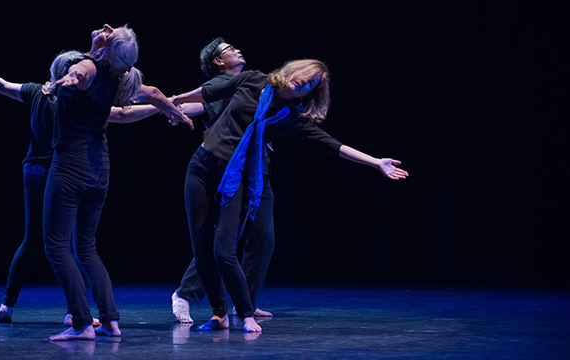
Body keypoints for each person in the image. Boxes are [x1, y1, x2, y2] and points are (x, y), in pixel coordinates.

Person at [172, 59, 408, 332]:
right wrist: (175, 100)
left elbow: (332, 145)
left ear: (310, 93)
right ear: (291, 69)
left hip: (235, 177)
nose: (302, 83)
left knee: (224, 250)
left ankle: (244, 312)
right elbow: (210, 93)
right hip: (201, 166)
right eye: (302, 76)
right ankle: (219, 314)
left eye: (310, 84)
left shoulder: (290, 117)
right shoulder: (252, 80)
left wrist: (376, 161)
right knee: (201, 250)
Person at [0, 52, 168, 327]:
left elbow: (1, 85)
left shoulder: (37, 92)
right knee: (73, 246)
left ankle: (7, 303)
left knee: (34, 240)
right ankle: (76, 312)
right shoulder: (78, 101)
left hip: (33, 171)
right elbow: (120, 115)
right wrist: (164, 106)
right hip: (62, 173)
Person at [43, 23, 192, 341]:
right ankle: (110, 320)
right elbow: (151, 93)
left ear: (109, 50)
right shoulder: (121, 77)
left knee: (56, 246)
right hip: (100, 169)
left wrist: (66, 79)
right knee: (85, 247)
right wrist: (173, 112)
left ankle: (83, 323)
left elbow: (81, 73)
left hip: (69, 166)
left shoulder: (91, 66)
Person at [171, 37, 272, 323]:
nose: (238, 49)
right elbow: (197, 104)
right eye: (229, 49)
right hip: (228, 168)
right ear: (217, 61)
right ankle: (186, 293)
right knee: (224, 243)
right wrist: (168, 106)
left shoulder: (253, 82)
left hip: (257, 168)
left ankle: (245, 303)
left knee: (263, 238)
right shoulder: (220, 84)